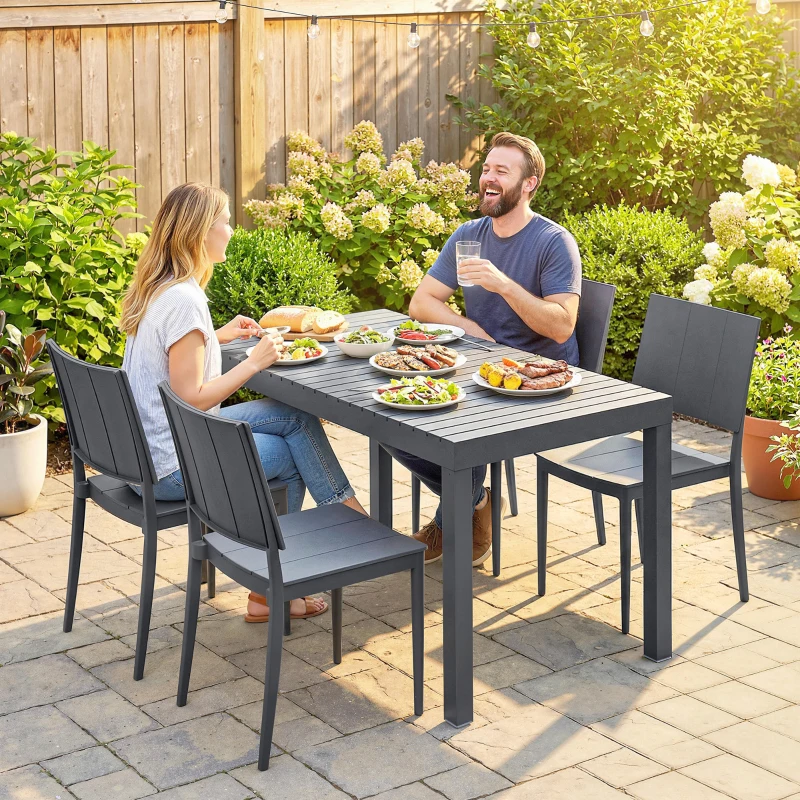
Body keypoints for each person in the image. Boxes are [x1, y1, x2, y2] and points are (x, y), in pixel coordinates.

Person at [120, 183, 368, 623]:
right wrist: (253, 362)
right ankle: (275, 587)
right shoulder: (184, 300)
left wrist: (220, 337)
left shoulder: (162, 287)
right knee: (292, 455)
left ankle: (345, 517)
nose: (232, 231)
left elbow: (172, 364)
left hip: (153, 450)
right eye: (226, 221)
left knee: (293, 416)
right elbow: (191, 397)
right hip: (172, 465)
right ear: (199, 233)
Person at [385, 132, 582, 566]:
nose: (488, 178)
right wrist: (471, 327)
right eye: (486, 169)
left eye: (501, 171)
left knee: (452, 426)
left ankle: (452, 520)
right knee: (389, 417)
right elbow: (422, 302)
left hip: (537, 378)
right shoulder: (469, 234)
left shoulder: (553, 242)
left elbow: (562, 325)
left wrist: (502, 284)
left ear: (529, 183)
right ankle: (475, 501)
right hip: (481, 365)